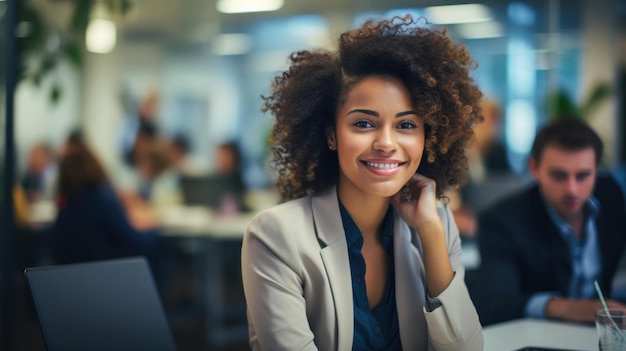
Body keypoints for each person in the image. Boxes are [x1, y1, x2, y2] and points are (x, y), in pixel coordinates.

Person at [241, 16, 484, 350]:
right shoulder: (276, 235)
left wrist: (429, 232)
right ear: (331, 135)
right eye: (364, 123)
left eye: (406, 125)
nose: (386, 142)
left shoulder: (437, 223)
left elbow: (465, 348)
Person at [471, 118, 626, 326]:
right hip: (541, 333)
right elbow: (494, 303)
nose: (572, 189)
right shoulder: (502, 220)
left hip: (603, 331)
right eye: (559, 176)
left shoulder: (611, 195)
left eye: (583, 176)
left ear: (596, 170)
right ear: (534, 168)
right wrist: (568, 308)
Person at [51, 132, 159, 264]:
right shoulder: (103, 200)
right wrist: (155, 230)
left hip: (73, 273)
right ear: (95, 166)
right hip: (107, 271)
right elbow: (135, 242)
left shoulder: (66, 205)